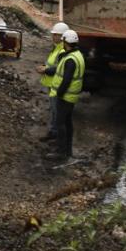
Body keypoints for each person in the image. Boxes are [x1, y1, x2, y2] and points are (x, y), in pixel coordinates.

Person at [44, 29, 85, 162]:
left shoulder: (71, 59)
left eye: (63, 41)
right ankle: (67, 150)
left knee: (61, 123)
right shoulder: (77, 55)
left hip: (66, 97)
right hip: (70, 97)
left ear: (66, 42)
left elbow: (66, 79)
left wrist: (59, 93)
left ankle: (61, 153)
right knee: (67, 123)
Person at [36, 22, 69, 143]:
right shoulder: (57, 48)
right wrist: (45, 66)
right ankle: (53, 132)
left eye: (56, 35)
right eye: (53, 34)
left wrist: (46, 70)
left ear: (62, 37)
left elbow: (59, 68)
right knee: (54, 110)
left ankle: (56, 135)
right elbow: (53, 63)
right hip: (52, 84)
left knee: (57, 111)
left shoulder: (62, 51)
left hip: (56, 85)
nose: (53, 37)